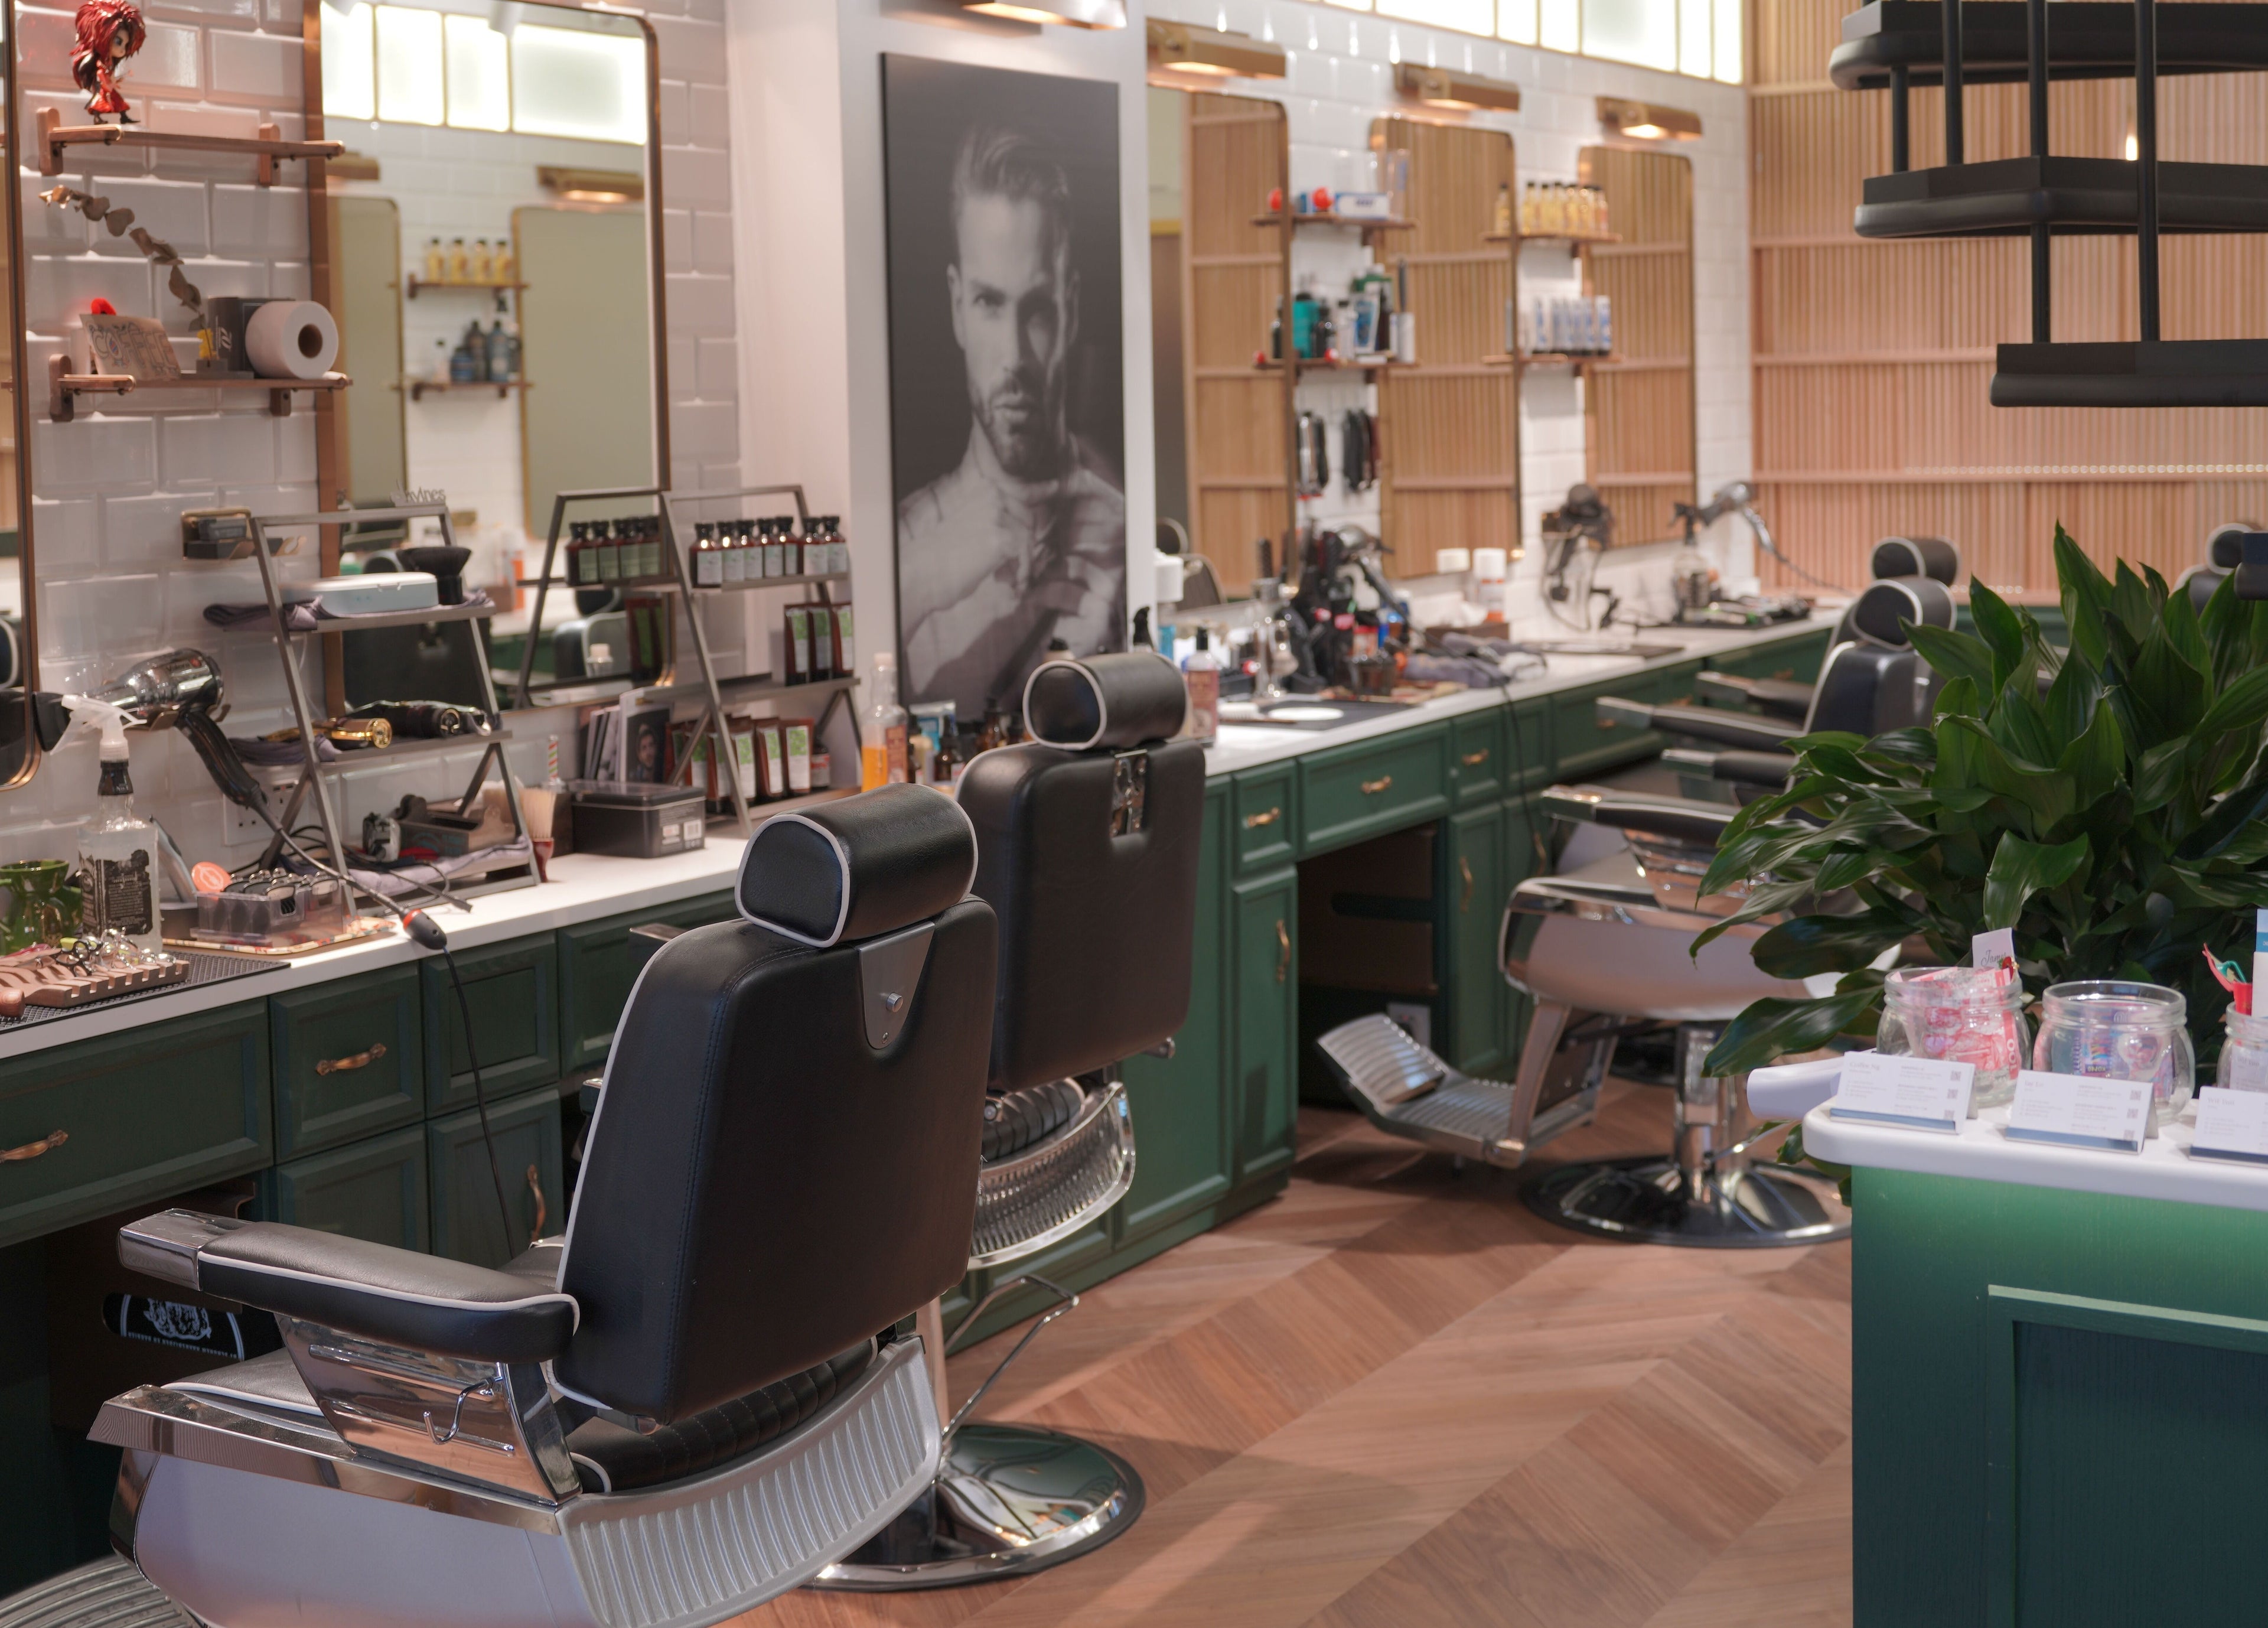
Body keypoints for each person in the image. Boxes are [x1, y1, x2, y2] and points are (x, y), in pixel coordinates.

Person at [898, 125, 1125, 721]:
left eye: (1038, 311)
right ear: (956, 307)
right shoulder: (907, 551)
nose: (1015, 357)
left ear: (1070, 311)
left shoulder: (1119, 534)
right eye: (988, 303)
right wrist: (918, 585)